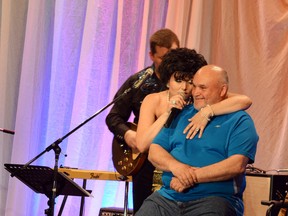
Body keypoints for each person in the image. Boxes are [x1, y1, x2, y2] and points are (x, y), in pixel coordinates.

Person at [135, 65, 259, 216]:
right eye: (195, 86)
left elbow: (236, 165)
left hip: (214, 199)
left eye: (203, 88)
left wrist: (189, 177)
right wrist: (177, 167)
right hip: (168, 198)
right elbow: (154, 151)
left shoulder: (239, 120)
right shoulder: (180, 114)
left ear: (223, 90)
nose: (195, 92)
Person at [105, 28, 180, 213]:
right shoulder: (138, 82)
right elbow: (113, 116)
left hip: (176, 154)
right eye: (163, 57)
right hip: (145, 160)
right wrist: (129, 134)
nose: (169, 62)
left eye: (173, 55)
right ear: (151, 55)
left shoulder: (185, 81)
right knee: (144, 208)